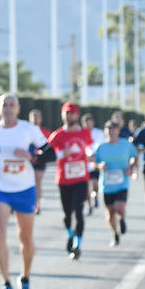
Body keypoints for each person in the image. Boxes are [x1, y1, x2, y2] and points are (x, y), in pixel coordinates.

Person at [0, 93, 47, 289]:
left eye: (12, 105)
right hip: (0, 189)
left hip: (25, 189)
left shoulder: (29, 130)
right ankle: (6, 284)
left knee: (25, 238)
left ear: (18, 109)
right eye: (4, 105)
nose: (8, 109)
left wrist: (32, 156)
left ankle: (25, 279)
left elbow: (49, 153)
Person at [47, 102, 95, 260]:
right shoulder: (57, 135)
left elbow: (90, 148)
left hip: (81, 178)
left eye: (72, 113)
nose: (70, 116)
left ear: (77, 115)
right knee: (67, 214)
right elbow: (46, 156)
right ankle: (70, 234)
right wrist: (62, 154)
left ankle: (77, 244)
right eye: (67, 113)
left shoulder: (85, 133)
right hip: (64, 179)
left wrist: (88, 153)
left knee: (78, 211)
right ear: (63, 115)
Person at [93, 120, 139, 246]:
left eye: (114, 129)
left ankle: (122, 218)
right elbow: (94, 163)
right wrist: (99, 166)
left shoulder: (125, 144)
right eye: (109, 129)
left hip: (122, 183)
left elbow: (135, 156)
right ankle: (115, 233)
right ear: (105, 131)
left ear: (118, 131)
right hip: (107, 186)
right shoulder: (100, 147)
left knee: (119, 207)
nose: (112, 132)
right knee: (110, 212)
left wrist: (132, 167)